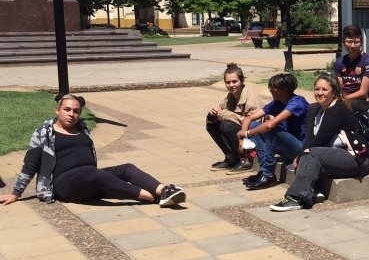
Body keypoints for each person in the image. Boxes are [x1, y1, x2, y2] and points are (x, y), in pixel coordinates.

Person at [0, 94, 185, 208]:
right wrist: (16, 193)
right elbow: (30, 165)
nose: (71, 114)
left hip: (89, 177)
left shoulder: (82, 128)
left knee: (126, 168)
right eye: (67, 110)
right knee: (97, 175)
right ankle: (154, 197)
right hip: (65, 185)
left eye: (76, 111)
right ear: (57, 110)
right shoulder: (44, 132)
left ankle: (164, 190)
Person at [271, 72, 369, 211]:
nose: (320, 93)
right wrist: (302, 155)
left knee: (312, 154)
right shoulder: (313, 109)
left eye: (324, 90)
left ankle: (295, 198)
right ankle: (312, 191)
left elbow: (320, 141)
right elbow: (309, 139)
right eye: (317, 89)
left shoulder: (336, 110)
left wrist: (302, 156)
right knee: (309, 153)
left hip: (354, 158)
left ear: (334, 92)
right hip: (330, 156)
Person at [238, 73, 309, 190]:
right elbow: (249, 118)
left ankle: (268, 174)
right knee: (254, 125)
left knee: (272, 129)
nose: (270, 90)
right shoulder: (277, 102)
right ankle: (263, 171)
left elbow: (271, 124)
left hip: (298, 148)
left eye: (273, 88)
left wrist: (247, 133)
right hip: (284, 146)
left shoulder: (297, 103)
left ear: (284, 90)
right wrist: (242, 140)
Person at [206, 63, 262, 173]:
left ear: (242, 81)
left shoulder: (251, 100)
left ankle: (246, 161)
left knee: (227, 125)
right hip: (242, 133)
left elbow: (255, 125)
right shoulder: (230, 97)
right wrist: (212, 114)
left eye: (234, 81)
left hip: (257, 136)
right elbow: (221, 111)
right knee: (212, 124)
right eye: (228, 82)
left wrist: (228, 116)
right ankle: (231, 158)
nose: (231, 85)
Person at [333, 24, 369, 113]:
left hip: (361, 102)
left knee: (339, 106)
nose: (353, 45)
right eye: (349, 42)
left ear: (361, 42)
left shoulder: (368, 62)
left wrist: (343, 99)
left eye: (356, 42)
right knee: (314, 107)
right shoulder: (340, 62)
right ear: (343, 42)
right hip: (344, 99)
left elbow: (363, 92)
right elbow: (339, 87)